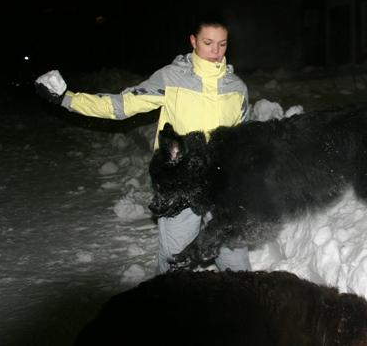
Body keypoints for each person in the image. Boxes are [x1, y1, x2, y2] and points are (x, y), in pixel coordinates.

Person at [34, 17, 252, 273]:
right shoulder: (171, 79)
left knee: (235, 261)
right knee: (176, 261)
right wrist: (67, 99)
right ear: (193, 41)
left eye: (222, 44)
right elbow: (121, 105)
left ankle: (239, 308)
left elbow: (242, 139)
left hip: (222, 184)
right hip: (180, 184)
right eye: (208, 43)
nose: (215, 51)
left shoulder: (237, 89)